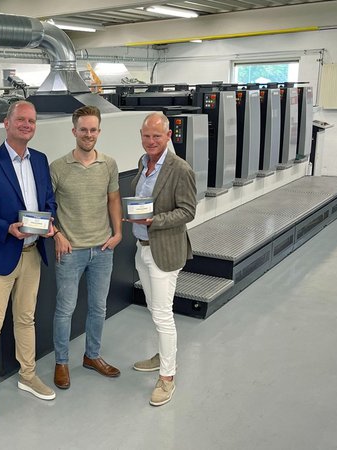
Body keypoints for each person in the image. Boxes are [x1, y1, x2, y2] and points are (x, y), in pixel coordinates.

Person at [0, 100, 57, 423]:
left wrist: (50, 223)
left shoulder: (40, 160)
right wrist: (6, 227)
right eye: (21, 119)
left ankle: (27, 375)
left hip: (32, 254)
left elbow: (49, 201)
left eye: (32, 120)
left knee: (26, 319)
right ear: (7, 123)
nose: (27, 125)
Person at [125, 111, 197, 407]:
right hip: (142, 247)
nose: (151, 141)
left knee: (163, 314)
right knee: (154, 309)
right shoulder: (143, 163)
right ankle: (163, 355)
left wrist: (155, 220)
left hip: (164, 250)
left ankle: (167, 377)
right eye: (146, 136)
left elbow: (188, 211)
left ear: (168, 136)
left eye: (157, 136)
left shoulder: (180, 169)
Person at [49, 105, 122, 390]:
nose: (88, 134)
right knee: (65, 309)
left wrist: (118, 233)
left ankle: (92, 356)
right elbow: (46, 206)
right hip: (71, 252)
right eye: (83, 130)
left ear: (99, 131)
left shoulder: (109, 164)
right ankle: (61, 362)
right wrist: (57, 234)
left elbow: (113, 200)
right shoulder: (58, 167)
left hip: (102, 249)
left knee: (98, 307)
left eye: (93, 130)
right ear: (74, 131)